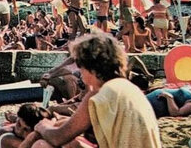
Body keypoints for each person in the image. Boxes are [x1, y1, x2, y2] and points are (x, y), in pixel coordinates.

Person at [25, 32, 161, 148]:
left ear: (90, 67)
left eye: (79, 65)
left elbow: (58, 137)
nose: (79, 70)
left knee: (41, 145)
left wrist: (42, 126)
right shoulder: (128, 88)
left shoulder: (99, 95)